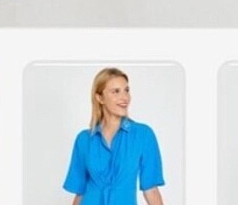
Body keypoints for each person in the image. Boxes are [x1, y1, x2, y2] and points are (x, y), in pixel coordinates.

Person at [63, 67, 166, 203]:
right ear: (100, 98)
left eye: (126, 90)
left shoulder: (143, 135)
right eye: (116, 91)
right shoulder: (84, 139)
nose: (125, 97)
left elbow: (151, 189)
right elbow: (80, 193)